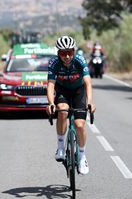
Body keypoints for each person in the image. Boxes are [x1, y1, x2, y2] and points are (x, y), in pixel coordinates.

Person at [46, 36, 96, 175]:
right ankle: (60, 147)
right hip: (63, 91)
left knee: (79, 124)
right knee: (62, 111)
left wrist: (90, 101)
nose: (67, 56)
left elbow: (88, 82)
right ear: (58, 53)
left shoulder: (80, 60)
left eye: (70, 52)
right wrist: (51, 103)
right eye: (63, 53)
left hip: (79, 91)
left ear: (74, 51)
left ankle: (82, 156)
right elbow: (50, 85)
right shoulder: (54, 63)